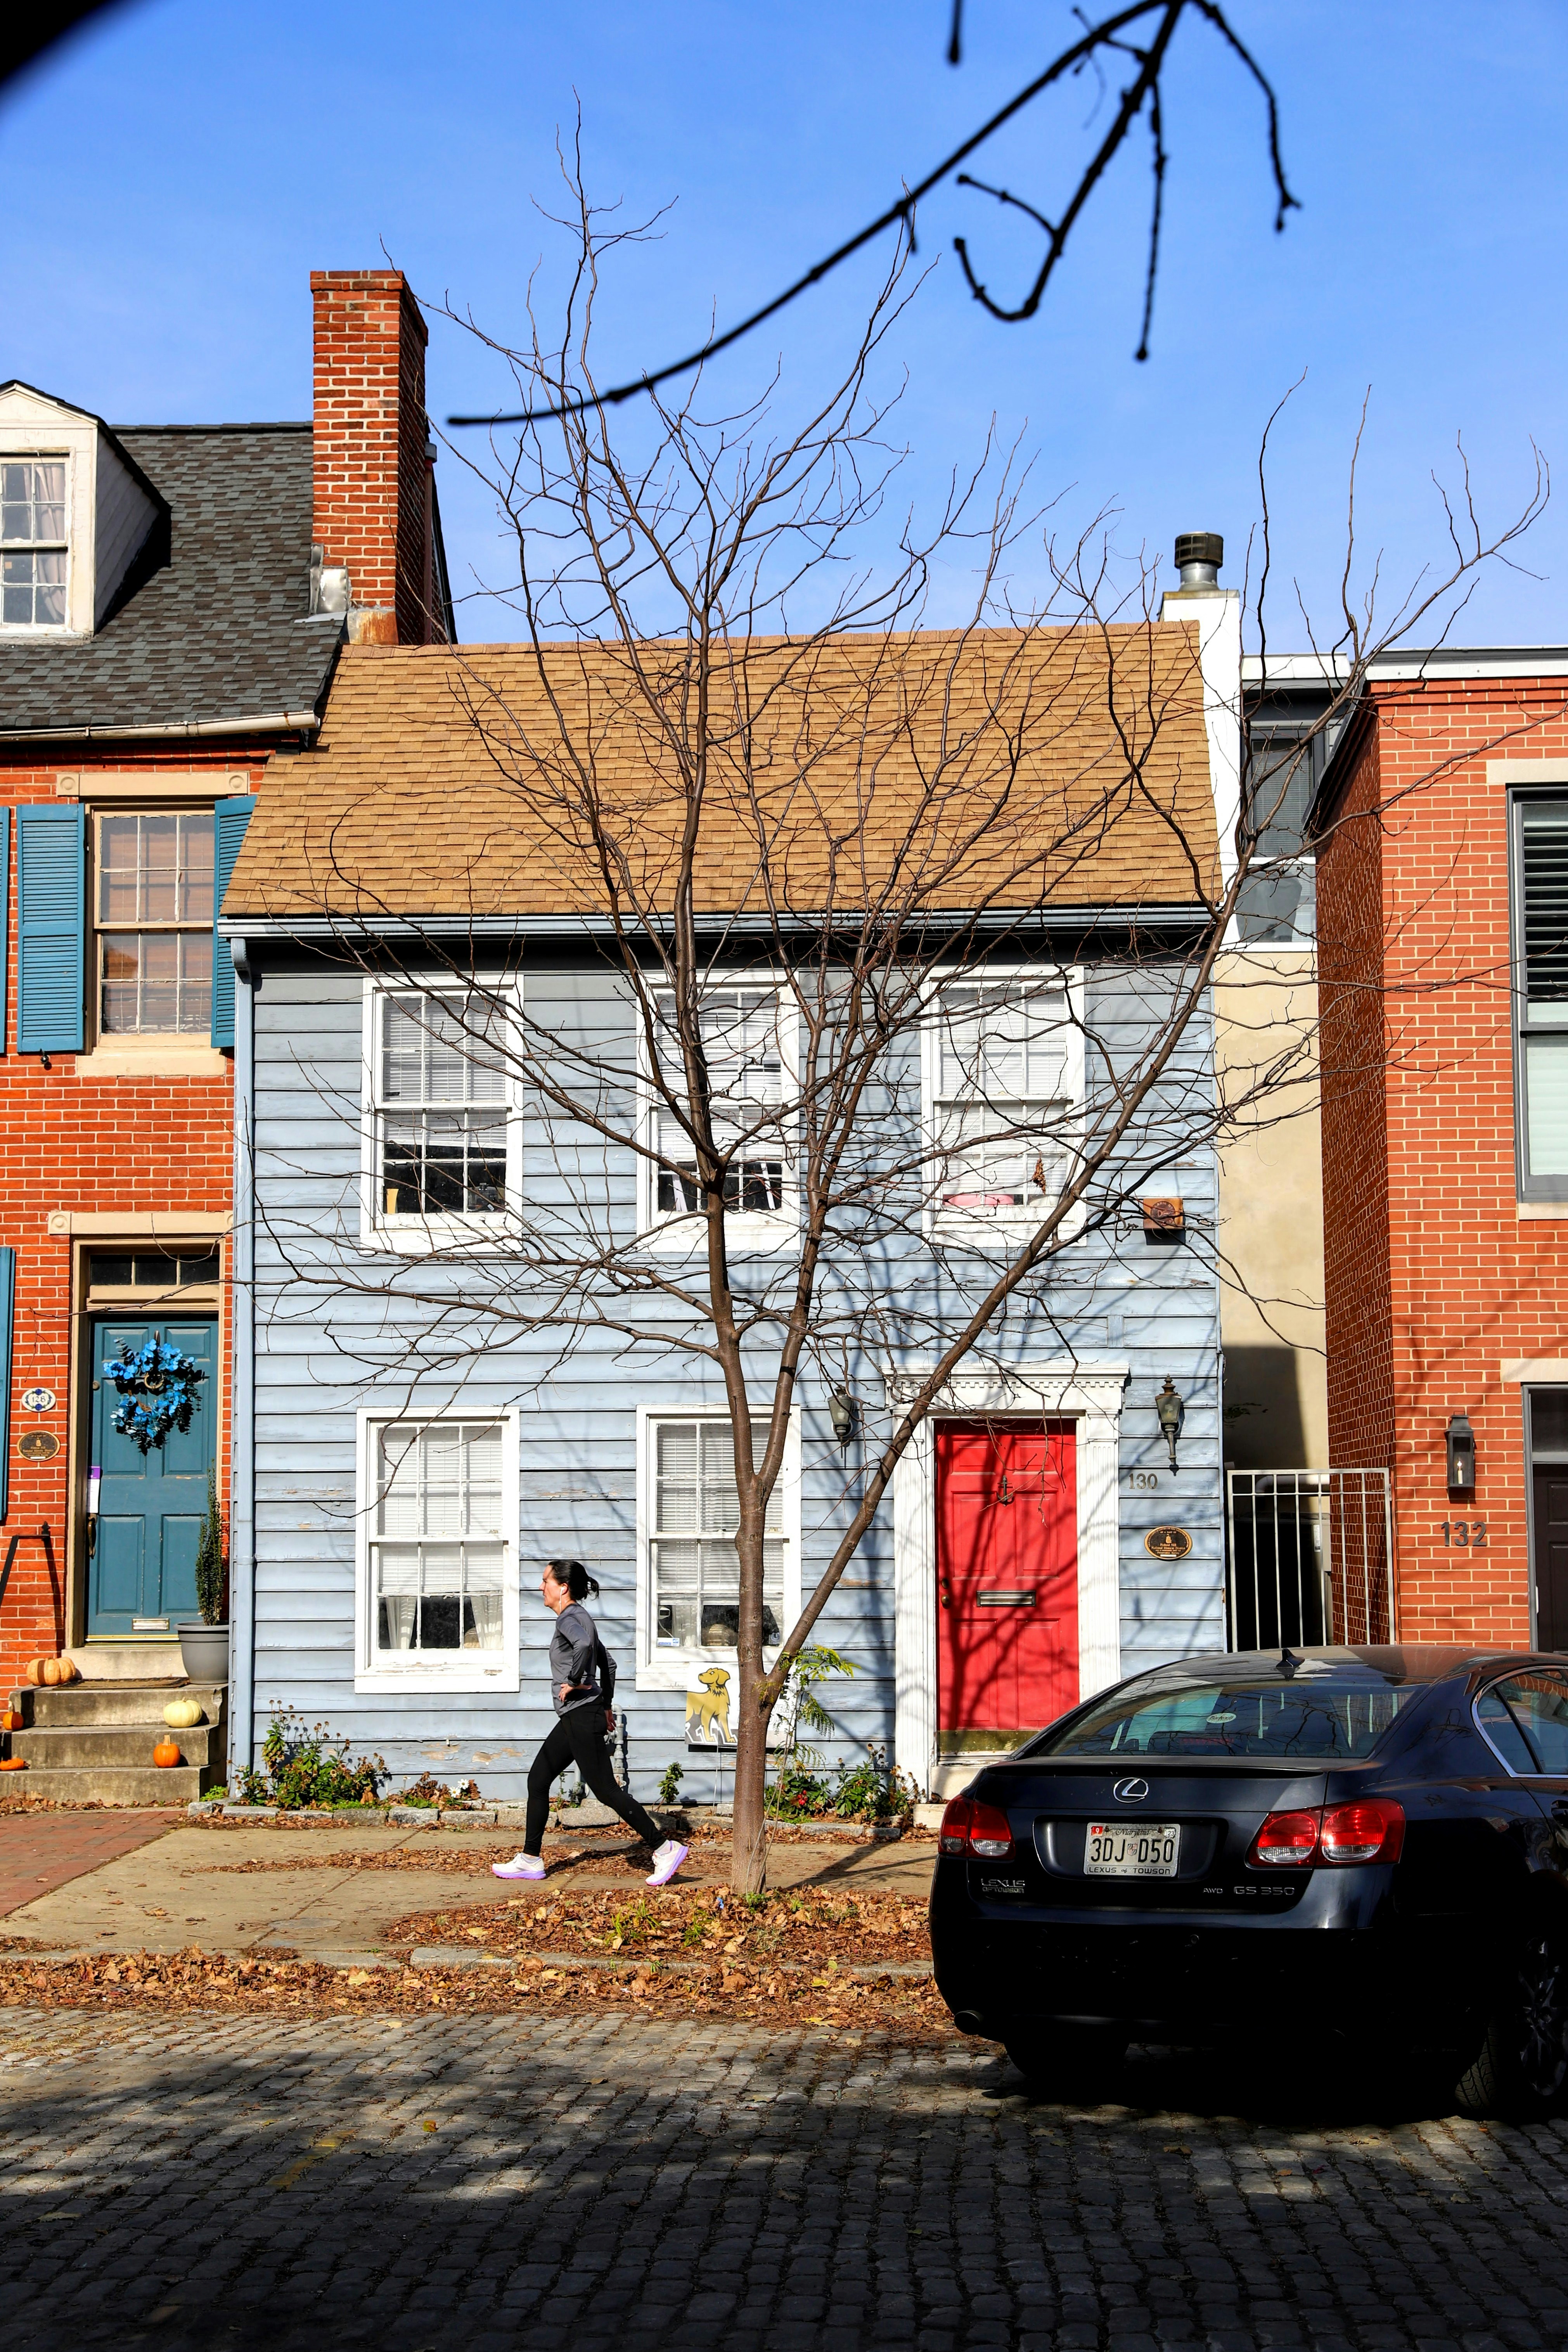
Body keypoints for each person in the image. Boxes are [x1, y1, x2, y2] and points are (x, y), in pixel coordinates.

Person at [492, 1558, 688, 1887]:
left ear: (563, 1587)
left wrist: (572, 1680)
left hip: (581, 1714)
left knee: (606, 1790)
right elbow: (608, 1664)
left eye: (545, 1581)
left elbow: (586, 1649)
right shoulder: (581, 1618)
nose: (541, 1586)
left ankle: (664, 1847)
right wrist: (607, 1705)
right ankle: (530, 1858)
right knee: (539, 1778)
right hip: (579, 1714)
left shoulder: (570, 1619)